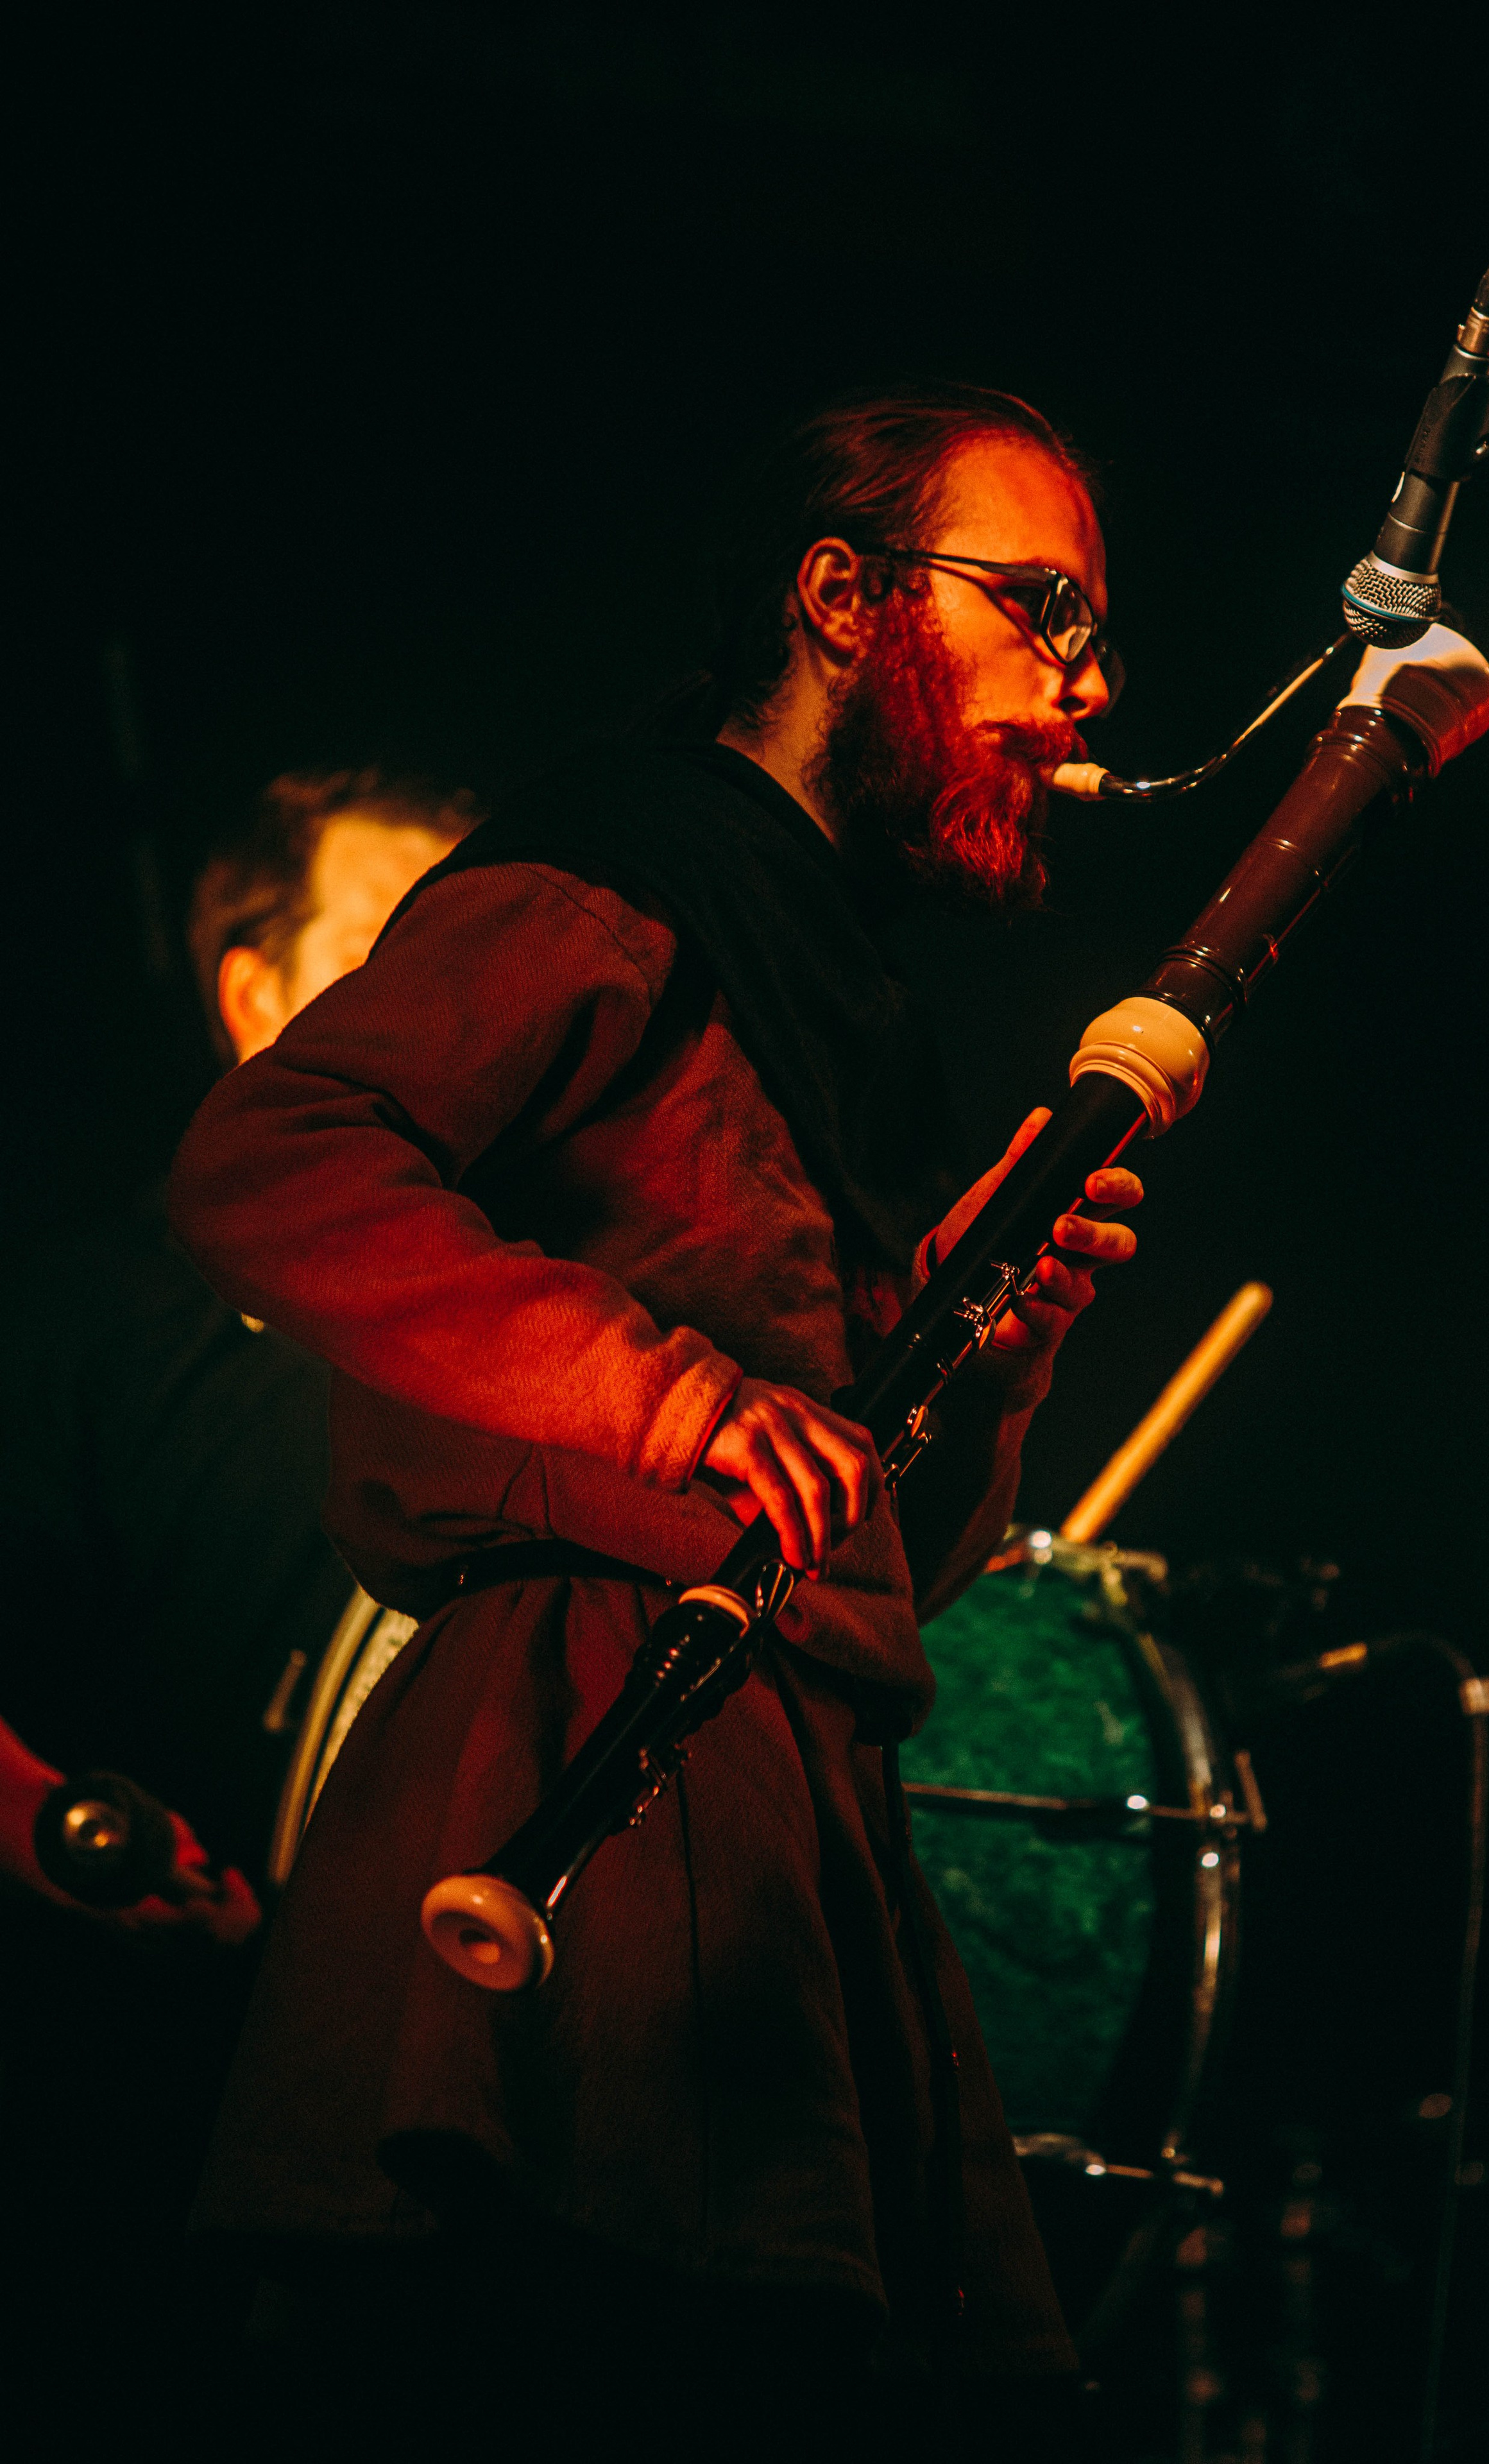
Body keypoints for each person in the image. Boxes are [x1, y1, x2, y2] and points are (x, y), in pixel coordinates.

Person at [167, 386, 1143, 2455]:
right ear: (836, 599)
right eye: (1038, 605)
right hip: (588, 1775)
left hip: (796, 1816)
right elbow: (272, 1156)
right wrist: (661, 1394)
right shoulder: (620, 867)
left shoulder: (847, 997)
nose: (1089, 681)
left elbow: (884, 1558)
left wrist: (997, 1340)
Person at [0, 768, 472, 2411]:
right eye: (390, 951)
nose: (451, 1011)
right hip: (138, 2156)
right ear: (254, 993)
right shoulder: (77, 1323)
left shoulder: (562, 1326)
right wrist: (57, 1838)